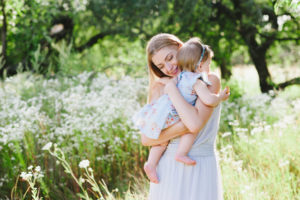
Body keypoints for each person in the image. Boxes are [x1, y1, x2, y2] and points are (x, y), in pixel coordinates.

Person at [140, 33, 225, 200]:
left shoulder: (209, 80)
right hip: (167, 169)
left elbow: (193, 125)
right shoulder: (159, 87)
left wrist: (171, 89)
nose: (169, 67)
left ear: (182, 48)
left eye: (170, 57)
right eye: (161, 66)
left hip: (200, 164)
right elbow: (146, 139)